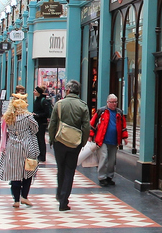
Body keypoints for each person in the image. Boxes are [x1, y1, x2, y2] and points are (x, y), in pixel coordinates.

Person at [47, 79, 90, 211]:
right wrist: (83, 142)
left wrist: (51, 139)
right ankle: (64, 200)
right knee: (70, 170)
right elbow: (86, 126)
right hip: (74, 143)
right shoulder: (83, 106)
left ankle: (60, 194)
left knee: (61, 169)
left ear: (67, 90)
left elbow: (53, 124)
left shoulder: (59, 104)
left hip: (59, 141)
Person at [0, 87, 40, 208]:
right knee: (28, 170)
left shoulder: (8, 117)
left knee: (15, 173)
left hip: (12, 146)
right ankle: (24, 196)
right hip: (27, 146)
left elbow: (5, 131)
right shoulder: (28, 117)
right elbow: (35, 129)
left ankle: (16, 199)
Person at [90, 94, 128, 187]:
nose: (114, 104)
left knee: (112, 160)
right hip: (102, 140)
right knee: (103, 157)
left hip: (114, 140)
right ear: (108, 102)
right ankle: (102, 177)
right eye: (112, 102)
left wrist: (125, 137)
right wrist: (90, 135)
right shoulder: (101, 111)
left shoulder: (119, 112)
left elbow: (123, 126)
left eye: (115, 102)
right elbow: (92, 123)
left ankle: (109, 177)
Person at [32, 86, 52, 165]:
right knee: (37, 138)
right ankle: (38, 154)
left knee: (41, 139)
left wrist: (38, 115)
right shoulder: (36, 100)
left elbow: (46, 113)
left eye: (35, 91)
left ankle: (42, 156)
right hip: (37, 122)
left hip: (42, 123)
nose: (34, 92)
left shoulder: (43, 101)